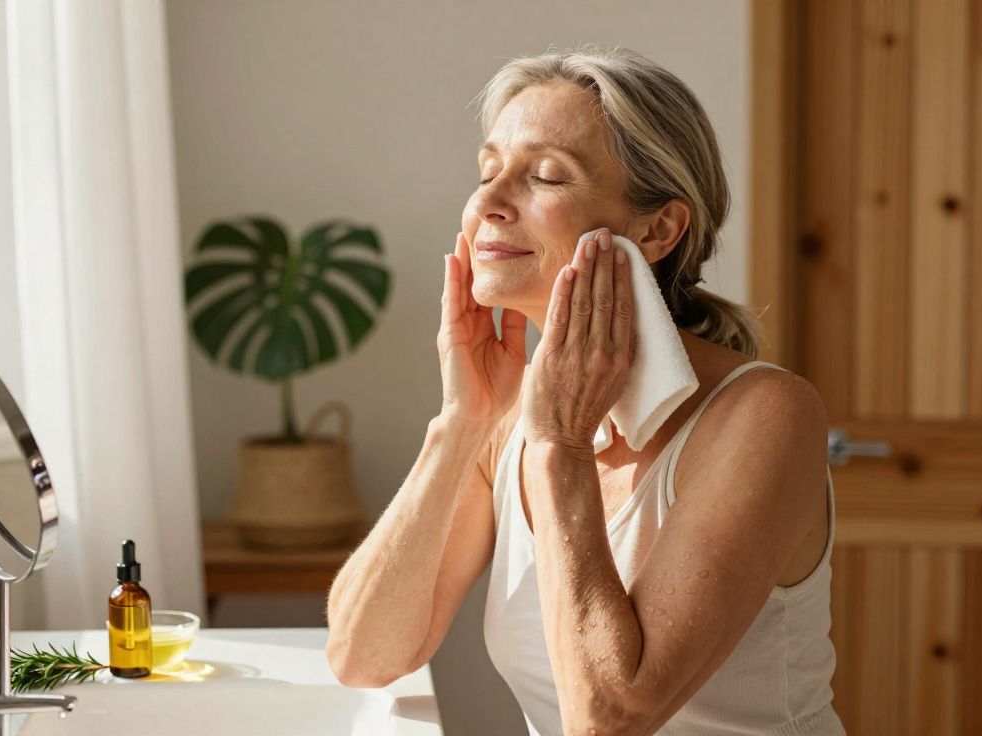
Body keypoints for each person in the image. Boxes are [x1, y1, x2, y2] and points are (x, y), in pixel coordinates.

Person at [326, 45, 843, 736]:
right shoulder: (510, 422)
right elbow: (362, 656)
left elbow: (612, 718)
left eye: (543, 176)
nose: (486, 202)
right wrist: (461, 422)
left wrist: (560, 444)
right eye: (487, 172)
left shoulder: (763, 418)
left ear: (656, 229)